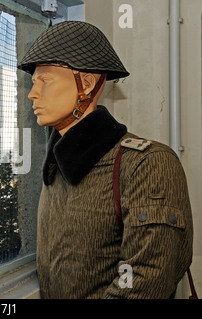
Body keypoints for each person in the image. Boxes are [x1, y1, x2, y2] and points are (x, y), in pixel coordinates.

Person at [17, 21, 193, 299]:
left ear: (86, 84)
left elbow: (145, 280)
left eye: (45, 80)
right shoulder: (56, 167)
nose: (33, 93)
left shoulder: (147, 164)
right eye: (33, 81)